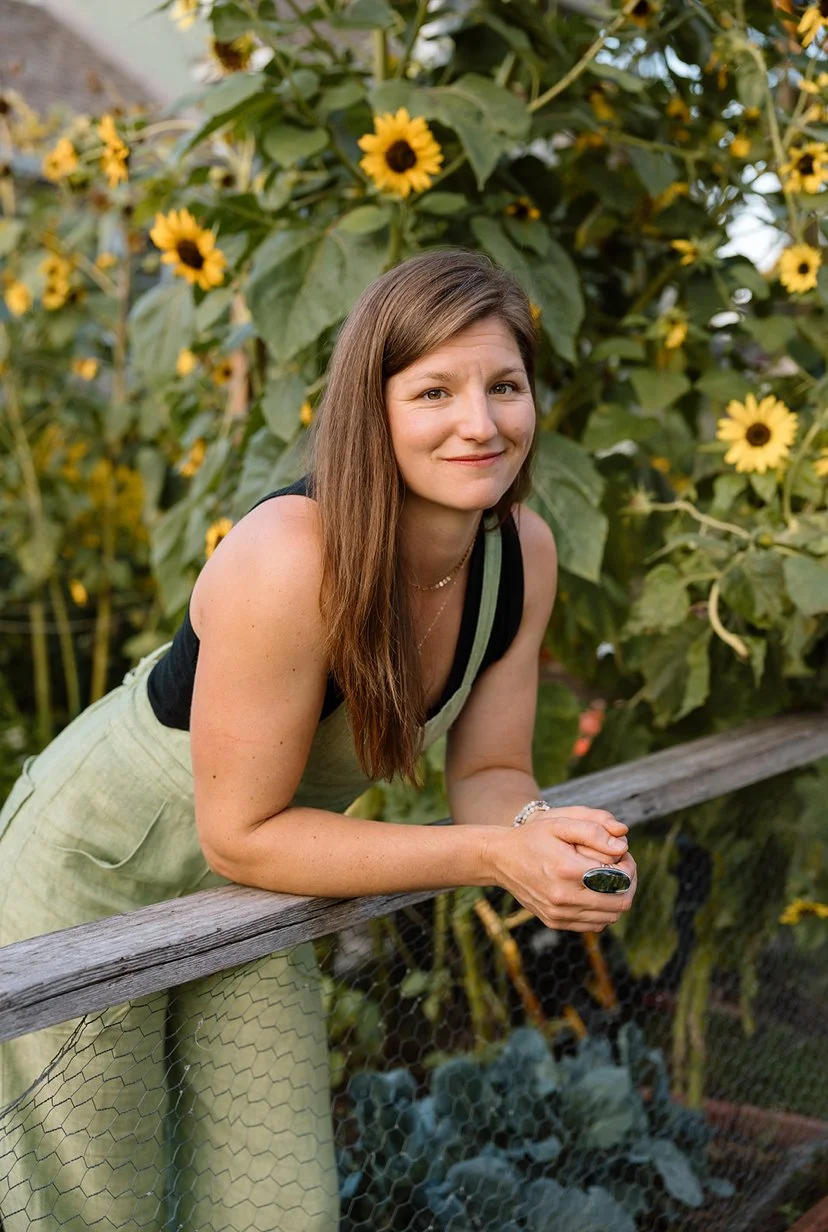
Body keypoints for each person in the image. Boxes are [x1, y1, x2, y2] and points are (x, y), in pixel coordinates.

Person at [0, 248, 637, 1231]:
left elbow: (495, 771)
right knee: (99, 1205)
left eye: (504, 385)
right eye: (435, 390)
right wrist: (489, 853)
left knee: (277, 1198)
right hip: (98, 871)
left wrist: (547, 839)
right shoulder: (292, 555)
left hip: (266, 877)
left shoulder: (521, 555)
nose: (481, 422)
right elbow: (240, 828)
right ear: (370, 411)